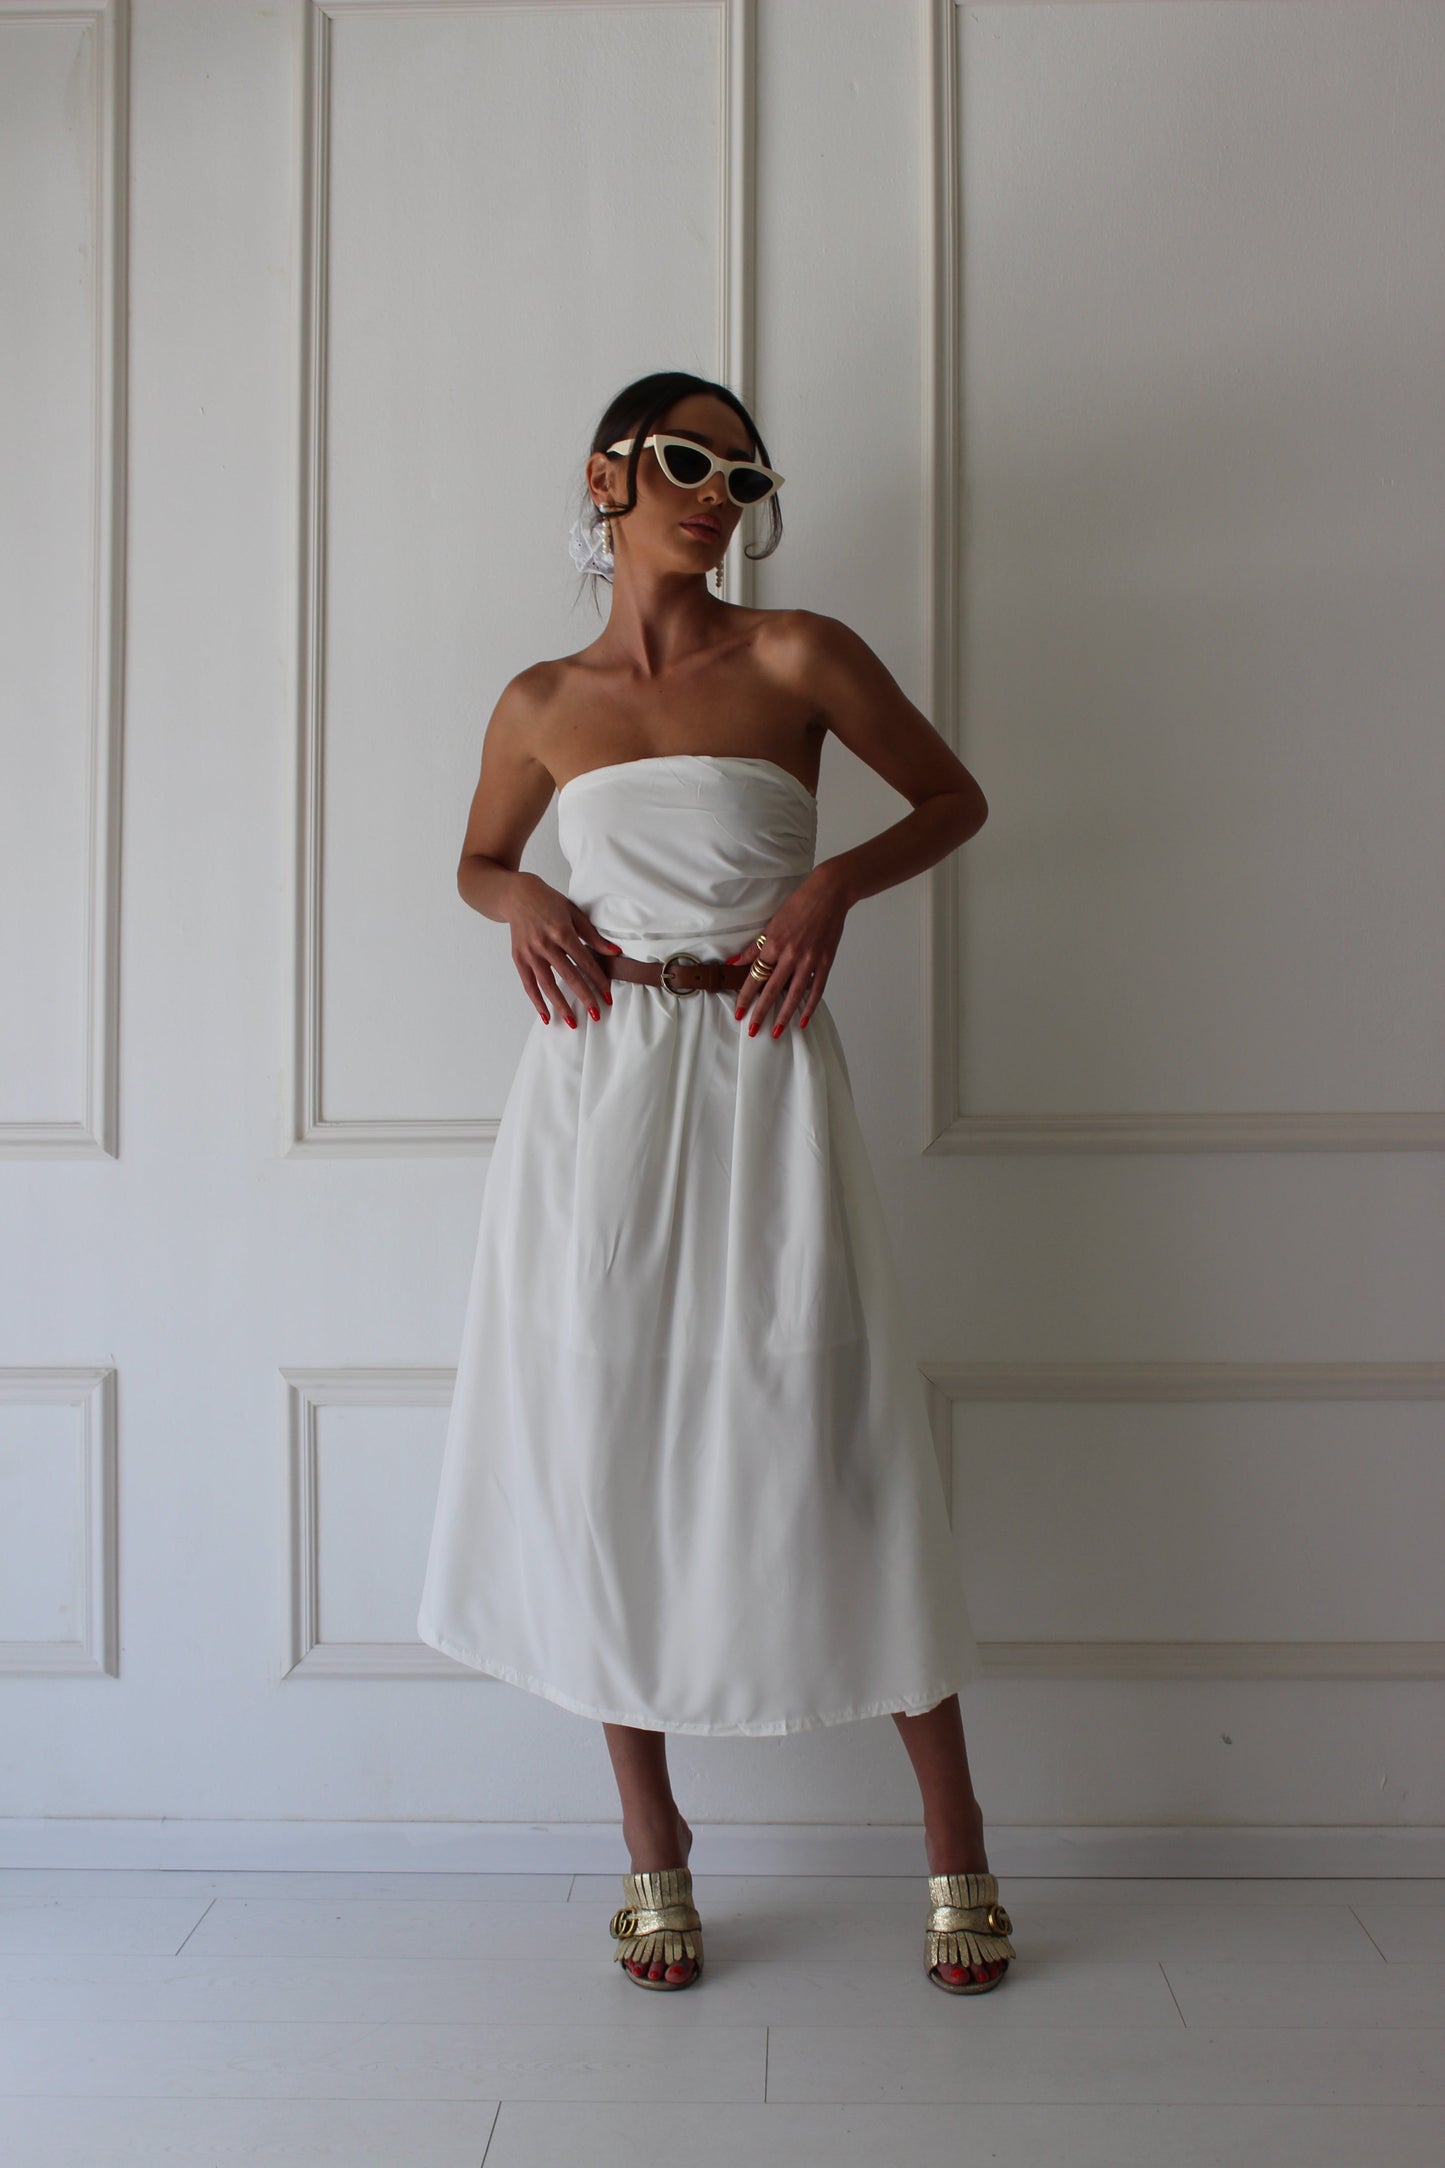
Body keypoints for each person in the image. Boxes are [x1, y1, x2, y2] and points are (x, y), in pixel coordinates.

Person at [416, 370, 1017, 1996]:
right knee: (600, 1434)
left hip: (759, 1074)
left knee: (836, 1435)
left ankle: (955, 1836)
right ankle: (652, 1841)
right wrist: (519, 901)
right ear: (606, 476)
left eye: (744, 477)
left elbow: (953, 798)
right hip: (595, 1093)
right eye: (688, 462)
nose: (717, 495)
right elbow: (476, 858)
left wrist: (831, 886)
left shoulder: (799, 653)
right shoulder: (541, 699)